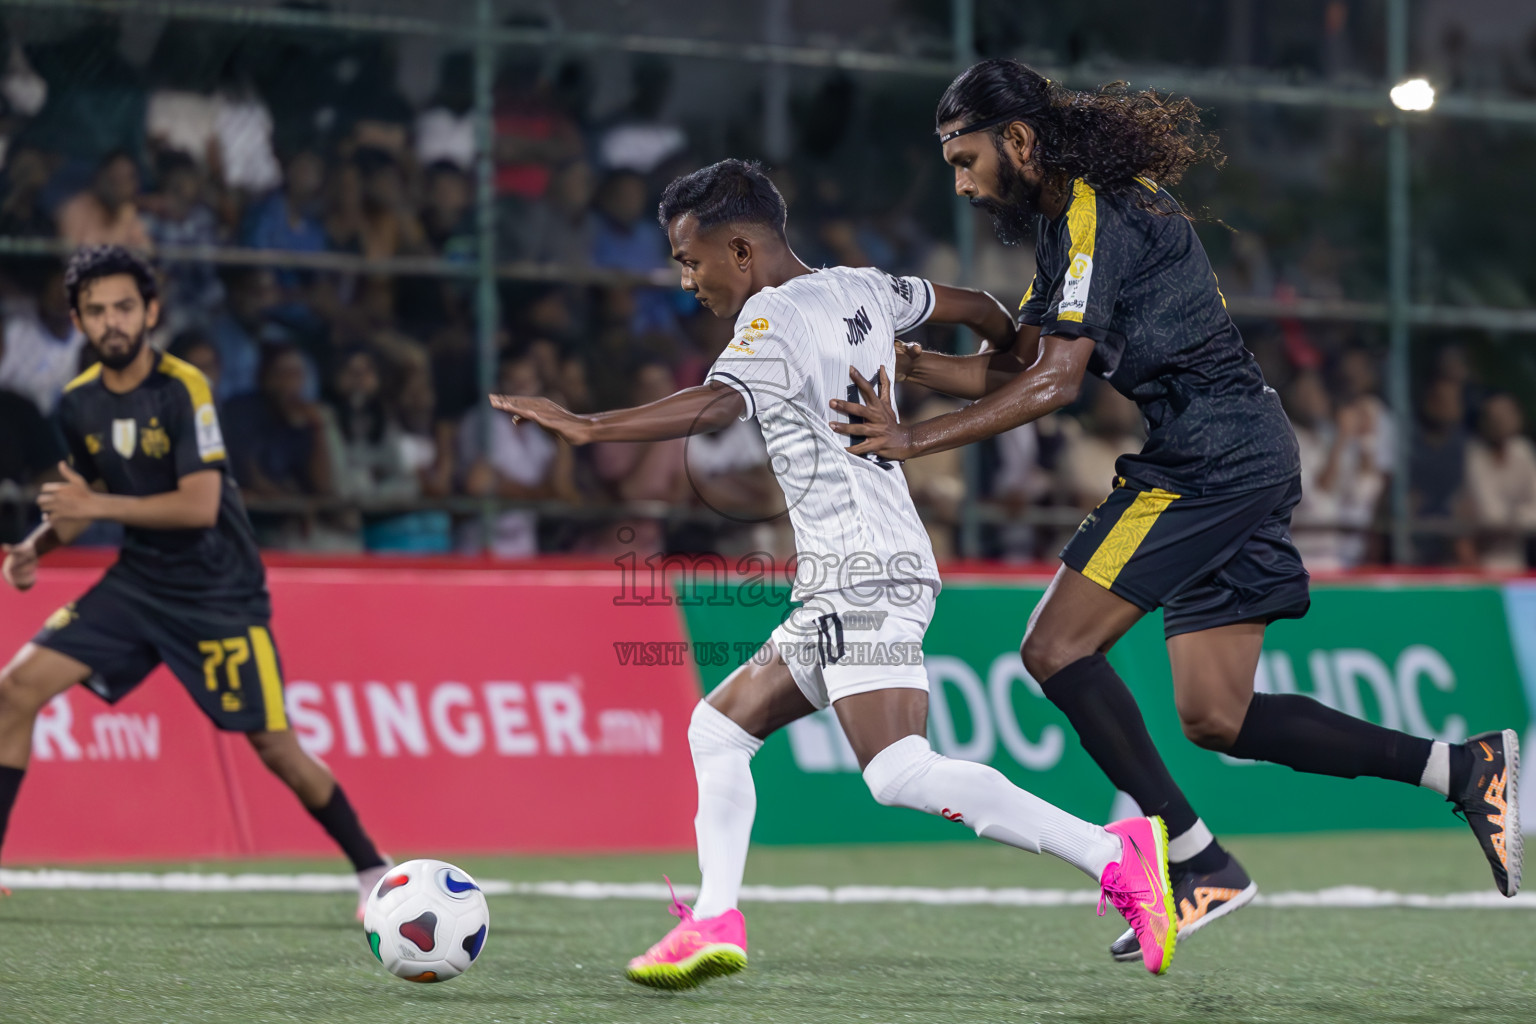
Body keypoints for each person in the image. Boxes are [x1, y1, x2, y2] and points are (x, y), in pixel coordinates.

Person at [831, 59, 1523, 963]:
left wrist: (913, 442)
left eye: (966, 160)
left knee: (1053, 647)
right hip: (1240, 448)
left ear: (1021, 141)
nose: (961, 183)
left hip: (1209, 457)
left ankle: (1197, 860)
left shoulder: (1091, 209)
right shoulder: (1071, 218)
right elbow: (1017, 366)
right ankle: (1464, 770)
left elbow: (1056, 382)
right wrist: (909, 365)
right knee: (1215, 714)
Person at [491, 159, 1180, 985]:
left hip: (865, 571)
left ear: (741, 250)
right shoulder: (867, 287)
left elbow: (715, 407)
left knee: (898, 773)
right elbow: (983, 310)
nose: (685, 280)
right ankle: (714, 919)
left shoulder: (771, 318)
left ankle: (1117, 853)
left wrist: (591, 427)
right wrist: (1003, 356)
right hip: (850, 571)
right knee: (717, 730)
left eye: (690, 259)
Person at [0, 246, 388, 912]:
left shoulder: (183, 388)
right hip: (138, 584)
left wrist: (94, 509)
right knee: (14, 691)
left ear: (150, 310)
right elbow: (83, 496)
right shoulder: (78, 404)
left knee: (275, 745)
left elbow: (198, 505)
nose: (111, 322)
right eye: (95, 311)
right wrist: (36, 547)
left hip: (219, 593)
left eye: (124, 307)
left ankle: (372, 869)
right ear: (78, 320)